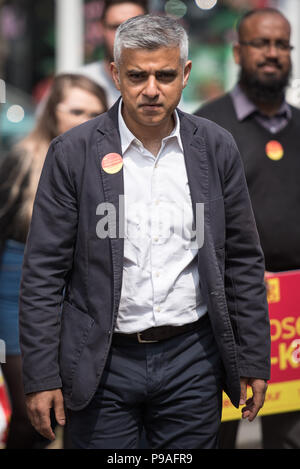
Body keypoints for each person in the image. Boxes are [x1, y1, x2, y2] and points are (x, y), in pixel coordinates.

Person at [19, 15, 270, 450]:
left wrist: (253, 357)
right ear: (115, 74)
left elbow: (243, 260)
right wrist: (40, 375)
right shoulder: (73, 153)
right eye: (137, 75)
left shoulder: (215, 147)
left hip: (193, 359)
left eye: (165, 75)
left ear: (185, 75)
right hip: (101, 364)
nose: (151, 89)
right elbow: (43, 273)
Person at [195, 7, 300, 449]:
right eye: (261, 43)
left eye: (281, 44)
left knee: (290, 434)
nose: (272, 53)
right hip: (227, 304)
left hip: (293, 313)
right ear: (238, 51)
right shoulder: (207, 125)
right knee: (214, 433)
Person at [0, 73, 107, 449]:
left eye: (96, 112)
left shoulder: (108, 166)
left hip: (79, 303)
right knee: (35, 419)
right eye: (76, 111)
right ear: (52, 114)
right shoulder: (22, 161)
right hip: (16, 298)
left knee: (77, 413)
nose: (86, 120)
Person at [79, 0, 148, 107]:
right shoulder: (78, 84)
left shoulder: (163, 86)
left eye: (134, 27)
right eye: (116, 27)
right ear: (101, 28)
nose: (124, 35)